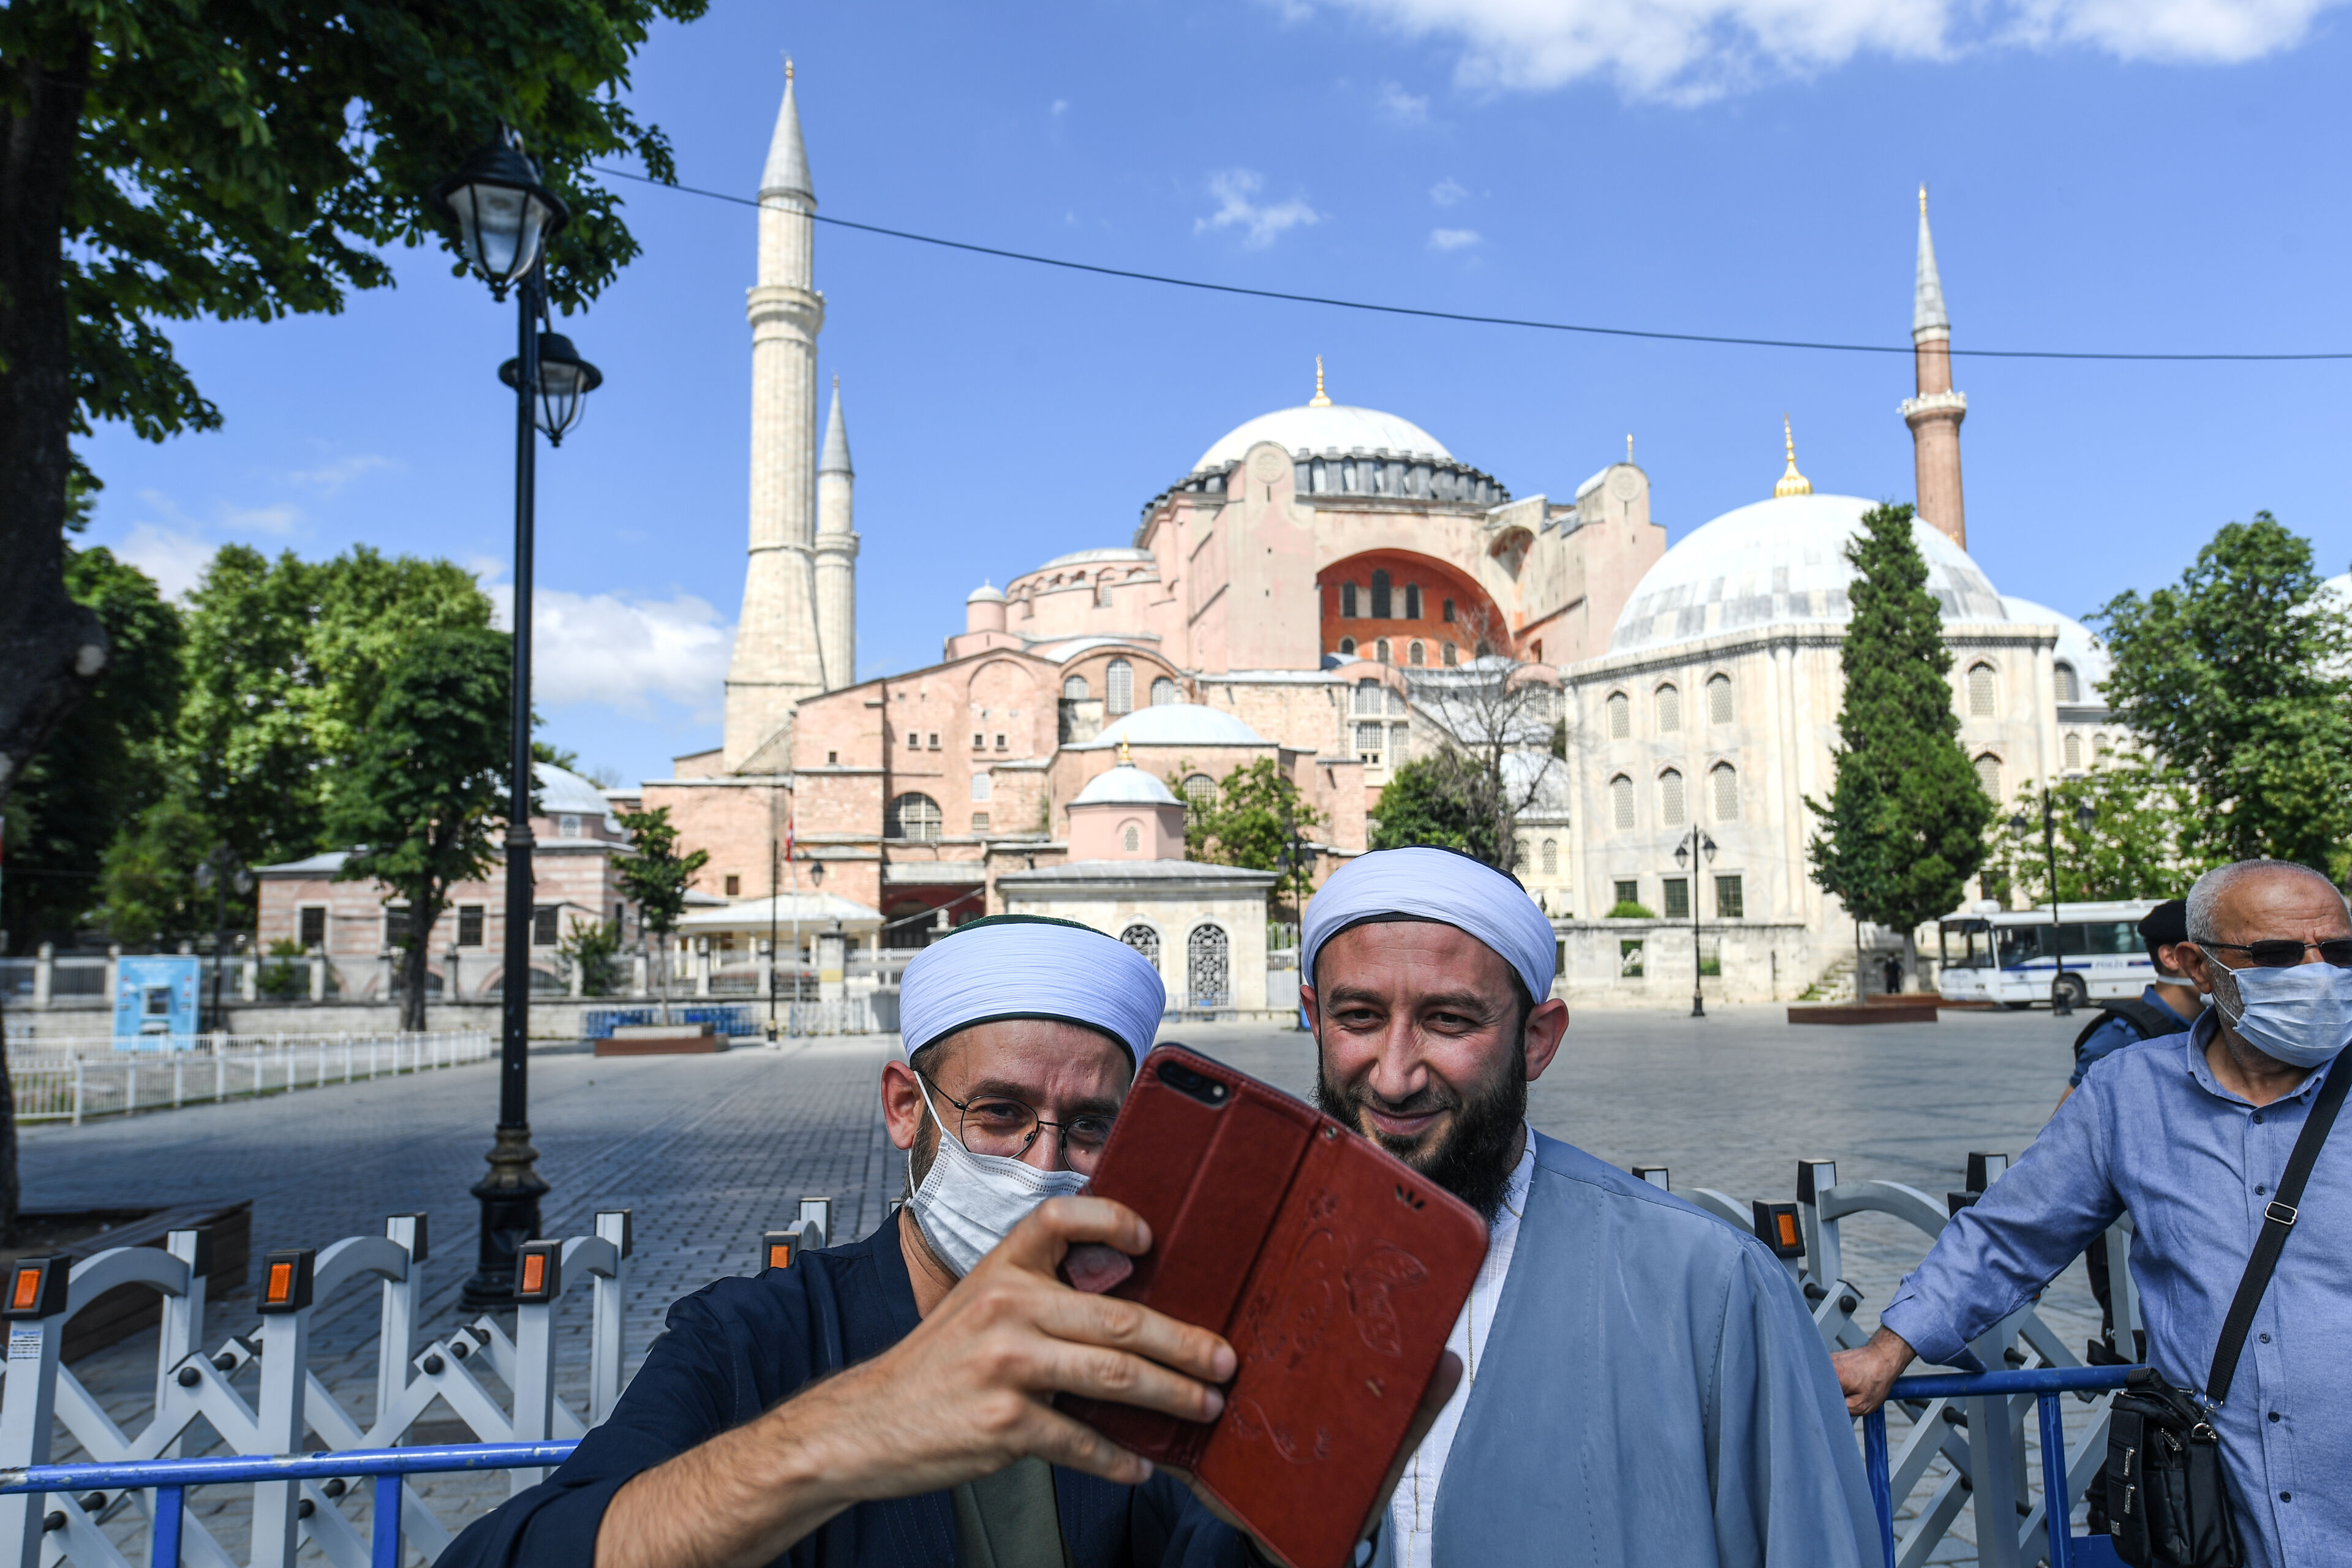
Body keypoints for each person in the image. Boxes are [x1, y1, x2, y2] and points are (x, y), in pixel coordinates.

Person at [442, 915, 1298, 1568]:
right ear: (904, 1107)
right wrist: (841, 1433)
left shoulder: (1140, 1364)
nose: (1043, 1165)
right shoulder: (753, 1339)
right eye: (1000, 1113)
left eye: (1088, 1128)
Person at [1300, 847, 1879, 1567]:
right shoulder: (1232, 1269)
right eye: (1358, 1017)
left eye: (1448, 1021)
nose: (1394, 1077)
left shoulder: (1710, 1286)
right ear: (1314, 1018)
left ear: (1536, 1040)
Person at [1834, 860, 2352, 1568]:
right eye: (2279, 954)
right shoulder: (2128, 1092)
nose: (2318, 972)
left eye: (2340, 950)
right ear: (2198, 966)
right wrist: (1887, 1350)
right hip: (2221, 1516)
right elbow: (2011, 1234)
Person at [2061, 897, 2205, 1104]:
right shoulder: (2118, 1038)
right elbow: (2070, 1120)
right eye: (2210, 954)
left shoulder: (2214, 1027)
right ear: (2171, 958)